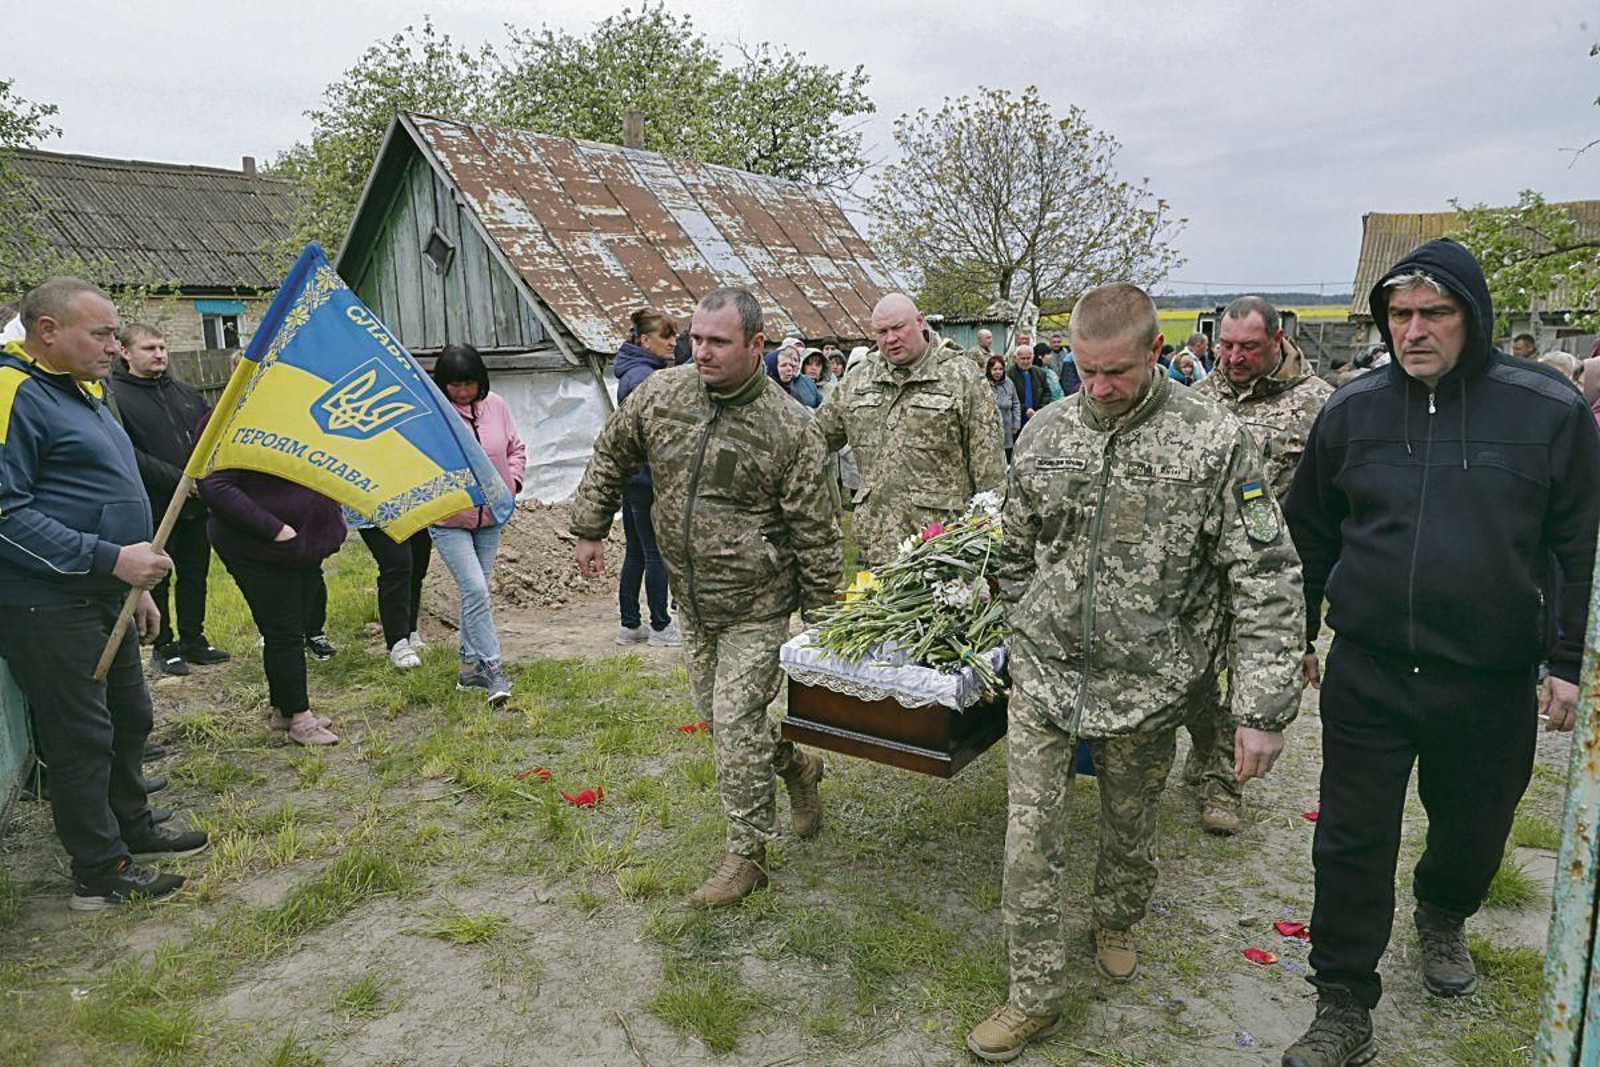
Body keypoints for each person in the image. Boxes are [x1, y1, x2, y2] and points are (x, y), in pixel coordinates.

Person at [1280, 239, 1600, 1067]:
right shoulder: (1351, 414)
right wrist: (1301, 633)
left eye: (1435, 313)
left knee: (1474, 827)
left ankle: (1443, 910)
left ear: (1474, 316)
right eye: (1399, 315)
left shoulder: (1547, 412)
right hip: (1372, 670)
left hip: (1489, 676)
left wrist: (1565, 660)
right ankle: (1343, 1002)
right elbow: (1308, 532)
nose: (1414, 331)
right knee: (1350, 839)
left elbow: (1578, 547)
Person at [966, 282, 1304, 1064]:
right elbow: (1014, 549)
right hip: (1048, 680)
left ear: (1157, 352)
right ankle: (1035, 994)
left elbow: (1265, 573)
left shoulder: (1213, 441)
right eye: (1085, 371)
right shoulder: (1045, 433)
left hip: (1151, 685)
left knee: (1129, 823)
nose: (1099, 388)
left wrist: (1260, 705)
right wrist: (1028, 624)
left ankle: (1117, 915)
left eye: (1115, 371)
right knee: (1030, 840)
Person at [571, 286, 841, 908]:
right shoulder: (664, 396)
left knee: (735, 719)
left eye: (718, 342)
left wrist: (825, 622)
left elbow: (817, 532)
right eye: (696, 339)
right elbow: (613, 451)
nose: (702, 352)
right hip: (692, 599)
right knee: (722, 722)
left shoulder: (789, 430)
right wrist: (590, 526)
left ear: (756, 345)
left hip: (757, 601)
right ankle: (798, 768)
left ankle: (746, 855)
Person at [0, 278, 208, 910]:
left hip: (106, 593)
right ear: (48, 332)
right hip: (46, 602)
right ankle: (98, 868)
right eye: (102, 334)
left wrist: (133, 584)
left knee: (128, 716)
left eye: (117, 334)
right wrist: (110, 559)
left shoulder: (84, 393)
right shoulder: (14, 393)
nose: (115, 348)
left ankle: (132, 826)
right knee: (80, 735)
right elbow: (7, 514)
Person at [1186, 297, 1333, 834]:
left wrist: (1310, 619)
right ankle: (1207, 754)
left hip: (1271, 572)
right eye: (1224, 345)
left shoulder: (1319, 406)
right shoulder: (1197, 400)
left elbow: (1327, 509)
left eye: (1247, 346)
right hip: (1204, 571)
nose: (1232, 357)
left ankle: (1223, 785)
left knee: (1248, 679)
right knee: (1196, 677)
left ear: (1277, 340)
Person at [816, 294, 1006, 566]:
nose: (890, 338)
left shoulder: (962, 376)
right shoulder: (858, 380)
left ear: (920, 322)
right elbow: (814, 438)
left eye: (898, 328)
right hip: (877, 548)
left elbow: (991, 474)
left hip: (944, 552)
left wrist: (985, 544)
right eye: (881, 332)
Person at [108, 323, 229, 677]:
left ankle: (194, 638)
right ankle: (165, 645)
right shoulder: (115, 398)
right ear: (125, 353)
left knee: (195, 574)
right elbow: (127, 452)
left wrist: (205, 477)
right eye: (149, 348)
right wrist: (177, 481)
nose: (159, 354)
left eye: (162, 347)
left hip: (196, 503)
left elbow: (209, 437)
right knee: (157, 576)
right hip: (154, 504)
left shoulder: (187, 393)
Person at [431, 344, 526, 705]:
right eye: (455, 385)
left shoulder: (497, 406)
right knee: (475, 589)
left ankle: (468, 669)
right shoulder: (434, 415)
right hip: (449, 519)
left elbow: (516, 448)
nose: (463, 392)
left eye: (469, 383)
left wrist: (511, 484)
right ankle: (493, 668)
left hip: (492, 517)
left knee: (477, 592)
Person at [613, 307, 681, 648]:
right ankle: (660, 625)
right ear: (644, 340)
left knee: (636, 552)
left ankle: (630, 625)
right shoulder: (644, 379)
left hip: (633, 478)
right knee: (656, 554)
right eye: (665, 337)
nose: (673, 343)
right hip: (647, 479)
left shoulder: (634, 372)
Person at [356, 525, 433, 670]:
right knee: (397, 565)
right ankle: (398, 642)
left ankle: (410, 632)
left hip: (414, 507)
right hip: (375, 510)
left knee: (418, 567)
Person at [1007, 344, 1052, 430]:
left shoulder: (1040, 373)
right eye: (1022, 359)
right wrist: (1025, 410)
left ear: (1033, 357)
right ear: (1016, 358)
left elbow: (1047, 393)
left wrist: (1040, 408)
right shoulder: (1009, 374)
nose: (1026, 362)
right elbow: (1009, 397)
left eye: (1028, 358)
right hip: (1017, 419)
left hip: (1036, 416)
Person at [987, 354, 1021, 460]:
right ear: (989, 369)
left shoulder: (1009, 383)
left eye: (1000, 369)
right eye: (995, 369)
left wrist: (1016, 423)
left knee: (1007, 457)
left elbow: (1016, 404)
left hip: (1007, 426)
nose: (998, 372)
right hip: (989, 427)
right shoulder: (983, 383)